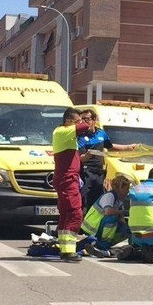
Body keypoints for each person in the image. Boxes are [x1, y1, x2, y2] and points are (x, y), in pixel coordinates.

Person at [78, 109, 138, 211]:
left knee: (98, 200)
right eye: (82, 119)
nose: (84, 122)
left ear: (94, 120)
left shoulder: (101, 133)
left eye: (86, 119)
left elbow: (110, 147)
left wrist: (127, 147)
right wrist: (88, 155)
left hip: (99, 173)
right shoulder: (81, 136)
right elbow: (81, 158)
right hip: (86, 172)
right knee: (84, 201)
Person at [52, 108, 91, 262]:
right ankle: (68, 250)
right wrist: (86, 121)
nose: (79, 123)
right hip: (67, 180)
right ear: (68, 121)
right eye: (77, 120)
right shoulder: (62, 131)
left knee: (66, 213)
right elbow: (84, 127)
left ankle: (64, 248)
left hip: (68, 179)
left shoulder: (67, 134)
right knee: (75, 213)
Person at [78, 175, 132, 258]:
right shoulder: (109, 196)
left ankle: (104, 245)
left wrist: (127, 228)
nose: (128, 191)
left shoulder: (119, 200)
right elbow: (108, 211)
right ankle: (102, 245)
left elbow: (121, 218)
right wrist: (127, 212)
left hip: (99, 225)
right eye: (127, 189)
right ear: (121, 187)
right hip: (93, 227)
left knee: (126, 229)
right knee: (112, 218)